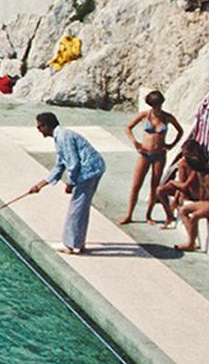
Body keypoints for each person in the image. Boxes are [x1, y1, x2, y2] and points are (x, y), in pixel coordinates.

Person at [27, 113, 106, 254]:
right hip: (92, 169)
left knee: (77, 207)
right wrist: (39, 186)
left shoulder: (63, 137)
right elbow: (59, 165)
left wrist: (70, 183)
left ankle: (70, 245)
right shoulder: (60, 137)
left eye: (39, 126)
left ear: (46, 126)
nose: (38, 130)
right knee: (80, 206)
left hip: (89, 170)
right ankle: (78, 243)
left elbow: (73, 163)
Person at [121, 90, 184, 225]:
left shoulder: (167, 117)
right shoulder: (145, 115)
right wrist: (135, 142)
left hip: (159, 155)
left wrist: (172, 144)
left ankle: (148, 216)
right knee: (136, 185)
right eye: (155, 106)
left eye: (159, 105)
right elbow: (128, 128)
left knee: (154, 186)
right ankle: (129, 214)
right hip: (144, 154)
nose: (158, 108)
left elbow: (180, 131)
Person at [177, 158, 209, 252]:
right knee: (183, 210)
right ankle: (192, 240)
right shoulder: (201, 174)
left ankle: (191, 244)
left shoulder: (208, 176)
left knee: (195, 216)